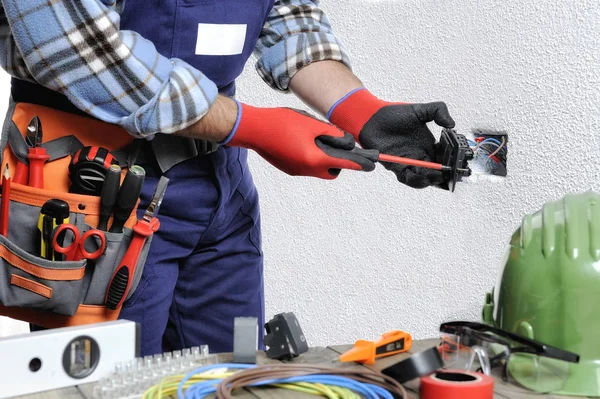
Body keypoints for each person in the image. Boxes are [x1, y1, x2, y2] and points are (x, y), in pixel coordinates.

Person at [0, 0, 456, 356]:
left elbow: (288, 13)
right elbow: (85, 57)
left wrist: (361, 111)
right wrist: (255, 127)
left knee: (233, 370)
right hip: (96, 189)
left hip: (217, 185)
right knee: (110, 384)